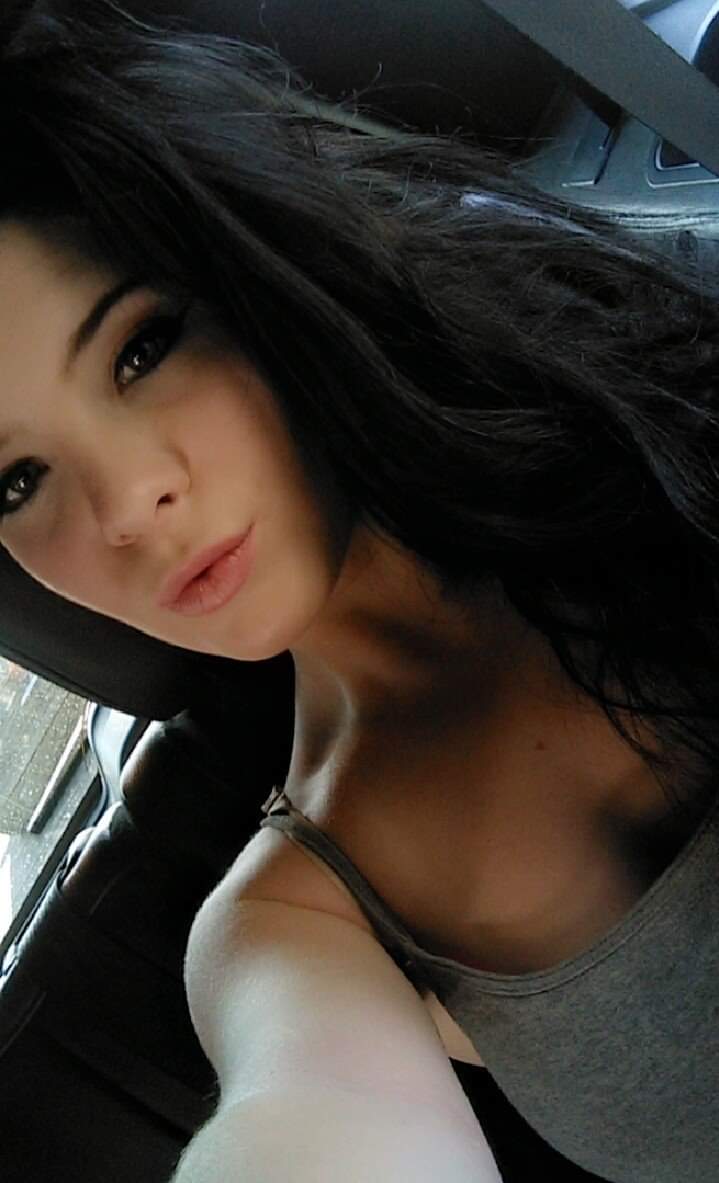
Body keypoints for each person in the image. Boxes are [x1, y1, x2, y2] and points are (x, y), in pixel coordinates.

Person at [2, 2, 719, 1180]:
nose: (125, 503)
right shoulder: (291, 923)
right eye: (17, 480)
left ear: (254, 279)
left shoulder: (636, 405)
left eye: (139, 348)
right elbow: (315, 1119)